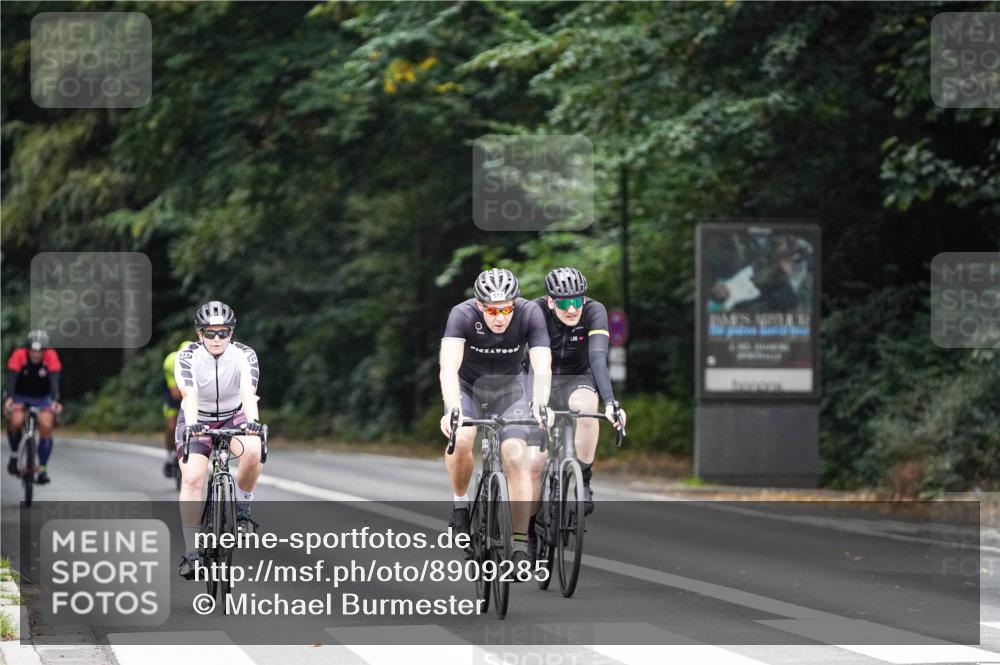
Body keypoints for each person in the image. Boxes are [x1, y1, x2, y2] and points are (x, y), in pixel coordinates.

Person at [439, 268, 552, 568]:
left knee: (515, 455)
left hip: (511, 391)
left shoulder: (529, 313)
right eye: (491, 310)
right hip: (469, 389)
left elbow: (542, 367)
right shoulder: (461, 315)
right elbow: (448, 368)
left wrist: (540, 404)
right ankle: (461, 506)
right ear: (479, 305)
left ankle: (518, 543)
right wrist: (452, 409)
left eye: (506, 309)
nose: (500, 317)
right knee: (462, 437)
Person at [175, 301, 264, 579]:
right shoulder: (187, 356)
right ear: (199, 334)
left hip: (233, 415)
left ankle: (243, 505)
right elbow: (189, 395)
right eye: (209, 333)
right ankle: (191, 553)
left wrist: (253, 424)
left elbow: (248, 393)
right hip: (196, 417)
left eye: (222, 333)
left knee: (253, 450)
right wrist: (193, 426)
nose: (216, 339)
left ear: (231, 333)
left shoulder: (244, 355)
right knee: (192, 479)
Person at [535, 268, 626, 516]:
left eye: (577, 301)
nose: (573, 309)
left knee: (587, 409)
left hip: (578, 376)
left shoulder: (595, 311)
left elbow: (597, 356)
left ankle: (583, 479)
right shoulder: (536, 312)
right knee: (532, 457)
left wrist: (610, 401)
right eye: (565, 303)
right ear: (551, 301)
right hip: (541, 377)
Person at [4, 330, 63, 484]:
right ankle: (14, 454)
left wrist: (55, 400)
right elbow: (11, 378)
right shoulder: (19, 355)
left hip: (43, 398)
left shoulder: (51, 356)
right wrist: (9, 398)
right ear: (28, 349)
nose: (36, 355)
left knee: (46, 424)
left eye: (40, 351)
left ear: (45, 351)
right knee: (15, 421)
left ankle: (42, 469)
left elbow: (54, 381)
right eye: (33, 350)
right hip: (20, 396)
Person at [162, 340, 193, 478]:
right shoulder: (171, 361)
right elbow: (175, 392)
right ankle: (169, 455)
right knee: (171, 426)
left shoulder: (202, 360)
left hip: (193, 393)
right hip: (173, 396)